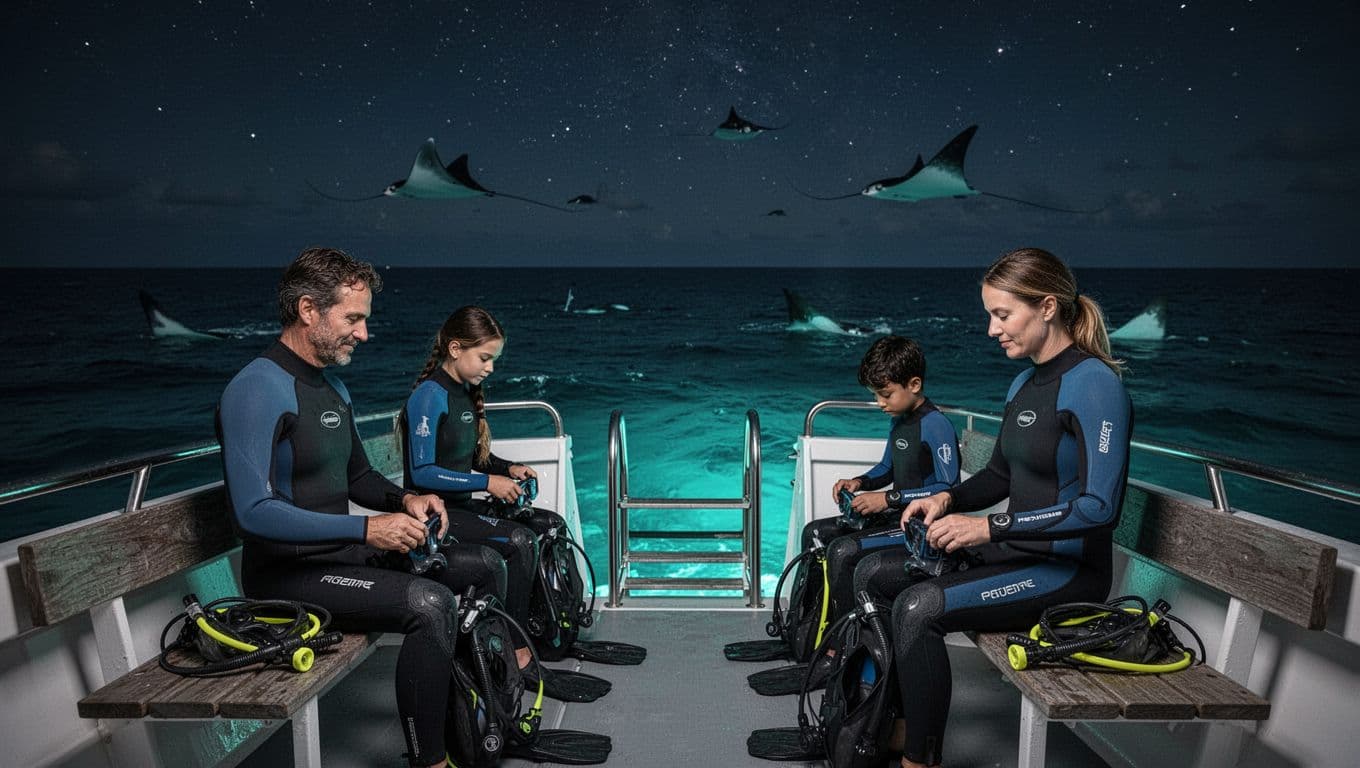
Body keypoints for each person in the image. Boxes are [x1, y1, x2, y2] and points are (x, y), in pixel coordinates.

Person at [217, 247, 507, 768]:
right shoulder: (256, 388)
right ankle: (430, 762)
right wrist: (367, 528)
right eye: (353, 318)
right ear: (309, 310)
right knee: (430, 605)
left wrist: (407, 499)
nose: (364, 333)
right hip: (286, 575)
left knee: (482, 565)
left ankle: (478, 722)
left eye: (365, 320)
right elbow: (252, 512)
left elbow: (359, 478)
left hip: (341, 556)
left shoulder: (334, 388)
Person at [870, 247, 1132, 768]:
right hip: (1016, 552)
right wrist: (944, 498)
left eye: (1002, 314)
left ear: (1048, 307)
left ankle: (919, 759)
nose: (993, 329)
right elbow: (997, 477)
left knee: (918, 610)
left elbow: (1100, 508)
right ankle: (889, 724)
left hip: (1066, 570)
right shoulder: (1023, 383)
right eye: (991, 314)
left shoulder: (1096, 385)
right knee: (877, 574)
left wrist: (988, 528)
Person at [400, 306, 549, 632]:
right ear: (455, 349)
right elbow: (423, 472)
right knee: (521, 542)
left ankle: (541, 634)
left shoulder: (464, 392)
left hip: (464, 508)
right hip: (437, 521)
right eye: (484, 358)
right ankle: (515, 649)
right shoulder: (429, 397)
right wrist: (486, 482)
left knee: (549, 525)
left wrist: (509, 469)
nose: (491, 367)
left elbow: (473, 459)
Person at [808, 335, 961, 623]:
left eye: (885, 394)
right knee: (814, 533)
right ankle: (812, 630)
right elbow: (887, 468)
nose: (879, 403)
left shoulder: (936, 425)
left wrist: (889, 499)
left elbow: (949, 487)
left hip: (922, 531)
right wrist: (859, 482)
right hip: (898, 518)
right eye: (875, 395)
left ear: (914, 385)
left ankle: (841, 645)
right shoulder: (898, 421)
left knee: (842, 551)